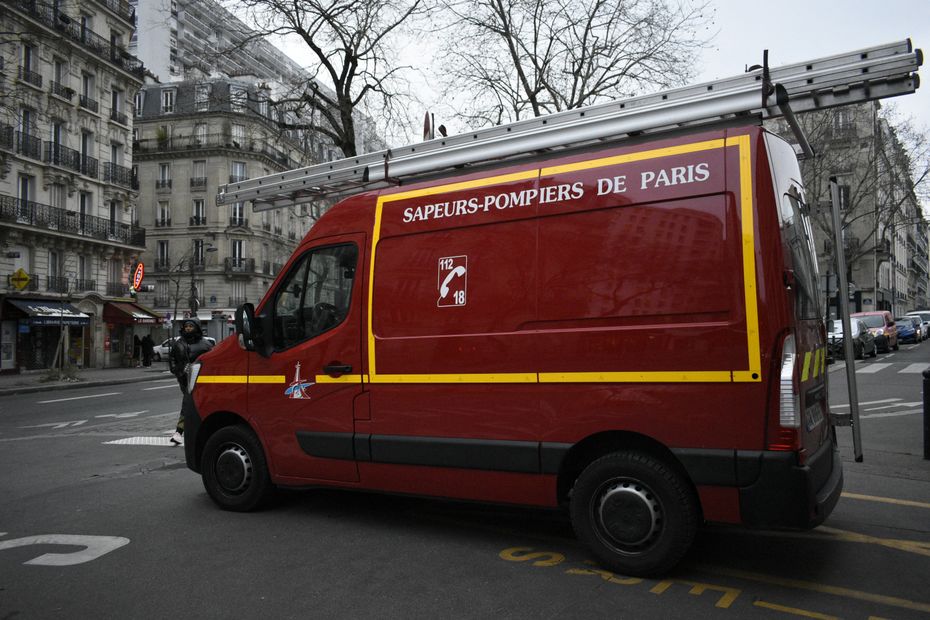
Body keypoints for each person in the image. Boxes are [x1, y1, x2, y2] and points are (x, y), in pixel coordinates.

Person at [168, 319, 214, 445]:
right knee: (189, 403)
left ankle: (180, 432)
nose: (188, 328)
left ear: (197, 328)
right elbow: (172, 360)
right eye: (186, 326)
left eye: (191, 326)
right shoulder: (179, 343)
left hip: (201, 379)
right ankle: (182, 432)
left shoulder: (206, 344)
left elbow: (212, 361)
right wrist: (178, 370)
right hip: (184, 379)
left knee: (190, 403)